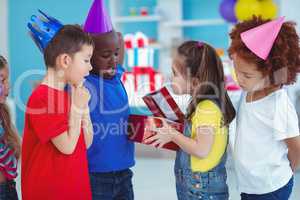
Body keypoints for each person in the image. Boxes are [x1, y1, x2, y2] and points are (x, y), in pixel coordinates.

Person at [145, 41, 236, 200]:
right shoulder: (203, 105)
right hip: (198, 185)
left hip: (201, 188)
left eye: (174, 73)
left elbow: (201, 150)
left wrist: (173, 134)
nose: (170, 77)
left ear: (195, 82)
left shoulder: (206, 108)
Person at [21, 10, 94, 200]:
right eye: (86, 60)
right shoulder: (41, 98)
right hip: (50, 192)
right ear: (65, 61)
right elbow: (67, 146)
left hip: (74, 189)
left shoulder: (69, 96)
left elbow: (86, 143)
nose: (90, 67)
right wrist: (77, 108)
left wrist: (83, 108)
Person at [228, 16, 300, 200]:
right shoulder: (249, 91)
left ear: (271, 72)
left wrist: (290, 168)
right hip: (249, 184)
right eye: (236, 71)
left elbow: (295, 146)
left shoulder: (278, 104)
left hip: (271, 186)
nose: (240, 79)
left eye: (246, 75)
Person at [83, 0, 134, 199]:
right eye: (105, 55)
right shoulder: (85, 82)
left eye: (115, 54)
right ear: (87, 56)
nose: (113, 59)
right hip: (95, 174)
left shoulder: (116, 75)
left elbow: (119, 40)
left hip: (124, 170)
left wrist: (113, 43)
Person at [0, 55, 21, 200]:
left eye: (6, 80)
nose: (8, 85)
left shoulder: (4, 114)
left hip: (8, 187)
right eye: (2, 80)